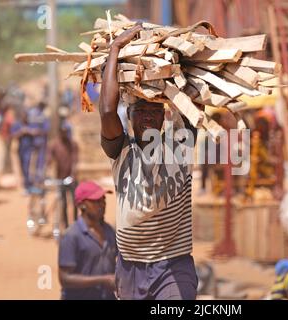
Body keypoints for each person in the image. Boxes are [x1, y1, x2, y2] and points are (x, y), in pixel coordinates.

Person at [99, 23, 200, 300]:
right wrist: (115, 49)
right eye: (139, 111)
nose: (147, 117)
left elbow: (192, 97)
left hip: (173, 265)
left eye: (154, 111)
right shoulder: (121, 151)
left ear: (164, 116)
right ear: (129, 117)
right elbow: (108, 111)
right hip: (130, 267)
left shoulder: (179, 145)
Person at [58, 181, 117, 300]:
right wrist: (103, 280)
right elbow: (65, 278)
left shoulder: (109, 231)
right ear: (81, 205)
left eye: (103, 199)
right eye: (96, 201)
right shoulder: (72, 236)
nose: (102, 204)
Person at [47, 120, 79, 226]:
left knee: (75, 202)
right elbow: (49, 160)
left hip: (71, 178)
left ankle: (75, 223)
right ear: (59, 132)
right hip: (60, 178)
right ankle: (65, 225)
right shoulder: (54, 145)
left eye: (66, 131)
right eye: (62, 132)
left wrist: (73, 175)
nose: (64, 133)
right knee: (63, 202)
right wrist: (48, 171)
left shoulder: (73, 144)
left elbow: (75, 160)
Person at [11, 109, 36, 192]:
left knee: (27, 166)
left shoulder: (30, 124)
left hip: (28, 148)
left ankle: (28, 184)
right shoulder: (17, 125)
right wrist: (21, 132)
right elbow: (13, 135)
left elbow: (37, 132)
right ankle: (26, 183)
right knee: (22, 167)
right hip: (20, 148)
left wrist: (29, 131)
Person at [28, 101, 49, 187]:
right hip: (39, 141)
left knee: (31, 160)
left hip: (31, 140)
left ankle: (31, 178)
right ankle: (38, 178)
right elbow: (46, 129)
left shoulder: (31, 113)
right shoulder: (43, 116)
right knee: (39, 161)